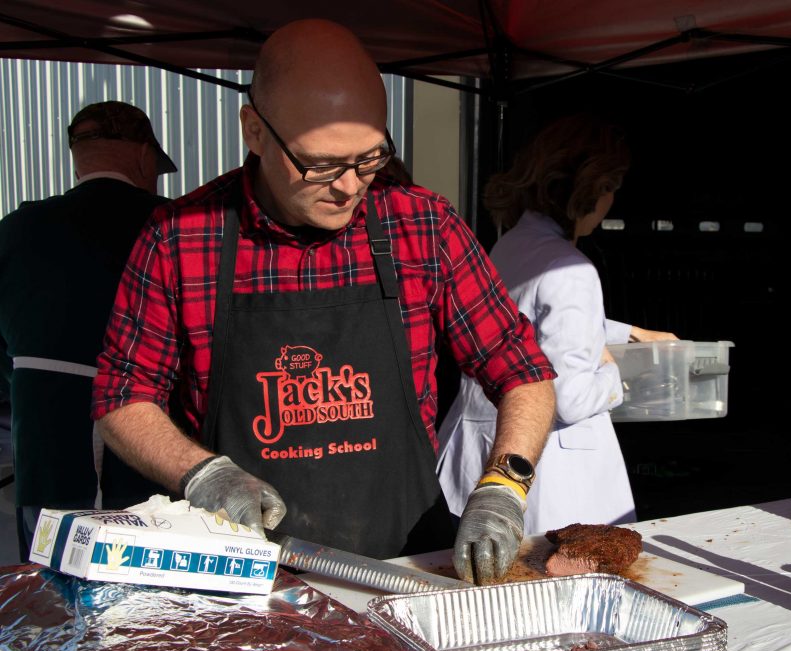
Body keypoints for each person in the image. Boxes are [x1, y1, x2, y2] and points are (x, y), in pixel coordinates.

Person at [91, 19, 556, 584]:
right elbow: (122, 395)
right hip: (248, 576)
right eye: (320, 164)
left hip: (406, 565)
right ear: (255, 131)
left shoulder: (422, 226)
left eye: (368, 159)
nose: (348, 186)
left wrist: (504, 486)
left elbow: (522, 368)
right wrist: (203, 474)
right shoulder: (181, 238)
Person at [437, 114, 676, 535]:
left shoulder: (511, 245)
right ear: (593, 188)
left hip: (476, 451)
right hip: (551, 481)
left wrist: (627, 331)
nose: (609, 204)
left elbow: (532, 314)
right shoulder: (573, 268)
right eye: (610, 189)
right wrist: (617, 370)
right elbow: (571, 397)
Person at [0, 101, 177, 560]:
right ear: (143, 158)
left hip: (46, 450)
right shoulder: (172, 226)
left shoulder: (17, 229)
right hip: (150, 458)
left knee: (46, 595)